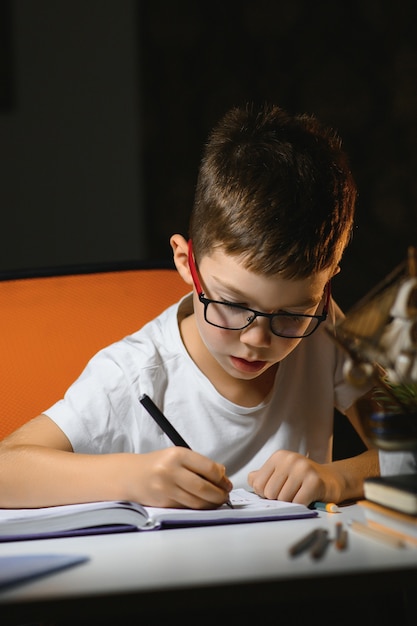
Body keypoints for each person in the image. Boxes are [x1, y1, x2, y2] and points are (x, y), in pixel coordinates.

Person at [0, 103, 379, 510]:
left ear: (325, 287)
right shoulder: (134, 374)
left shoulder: (322, 328)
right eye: (232, 303)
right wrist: (128, 477)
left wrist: (337, 477)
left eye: (290, 314)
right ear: (186, 262)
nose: (256, 339)